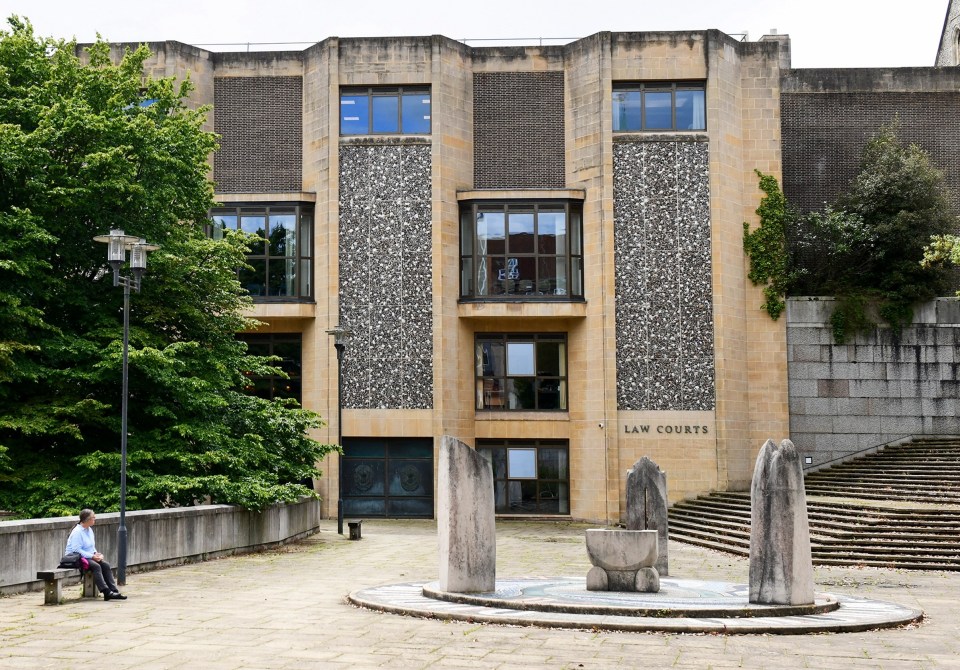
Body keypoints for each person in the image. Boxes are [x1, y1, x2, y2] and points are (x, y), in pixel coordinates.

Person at [65, 509, 127, 601]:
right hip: (75, 558)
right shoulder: (77, 532)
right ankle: (106, 592)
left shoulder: (89, 530)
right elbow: (76, 550)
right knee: (96, 566)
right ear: (87, 519)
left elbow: (91, 547)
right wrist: (92, 556)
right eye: (93, 517)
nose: (95, 519)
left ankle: (113, 590)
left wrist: (96, 554)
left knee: (105, 565)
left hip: (88, 556)